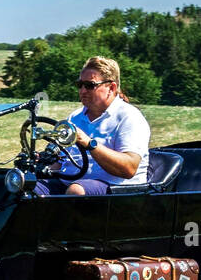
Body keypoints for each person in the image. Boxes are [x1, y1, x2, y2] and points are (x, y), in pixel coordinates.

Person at [35, 56, 150, 195]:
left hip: (117, 189)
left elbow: (129, 168)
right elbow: (63, 162)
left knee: (76, 191)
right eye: (80, 85)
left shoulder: (129, 117)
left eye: (90, 85)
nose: (82, 91)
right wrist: (41, 166)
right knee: (20, 185)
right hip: (70, 183)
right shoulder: (75, 117)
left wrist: (89, 143)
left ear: (111, 88)